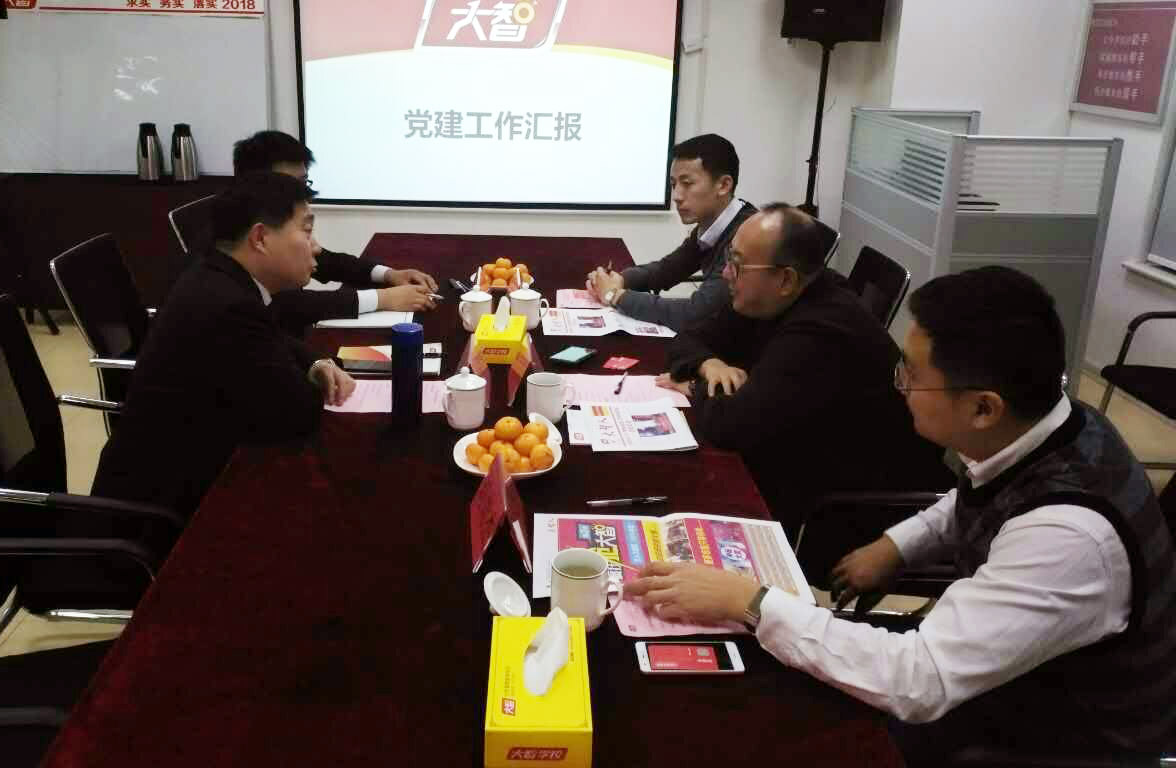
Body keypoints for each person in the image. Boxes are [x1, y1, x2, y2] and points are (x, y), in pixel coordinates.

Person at [630, 266, 1176, 763]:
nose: (900, 387)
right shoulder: (1051, 423)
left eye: (911, 375)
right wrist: (897, 546)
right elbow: (977, 494)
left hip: (1044, 739)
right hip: (1000, 677)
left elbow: (918, 681)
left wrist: (747, 600)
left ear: (983, 407)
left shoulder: (1068, 537)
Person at [657, 203, 948, 534]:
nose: (726, 273)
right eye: (728, 259)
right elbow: (688, 338)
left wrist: (694, 386)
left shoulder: (822, 329)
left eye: (737, 264)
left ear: (785, 279)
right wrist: (709, 365)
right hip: (798, 450)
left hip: (850, 505)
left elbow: (730, 427)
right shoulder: (767, 296)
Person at [92, 173, 356, 517]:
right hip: (164, 510)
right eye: (306, 231)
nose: (316, 247)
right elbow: (295, 414)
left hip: (177, 473)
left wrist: (315, 363)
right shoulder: (228, 304)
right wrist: (313, 379)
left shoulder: (220, 275)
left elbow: (273, 337)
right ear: (260, 238)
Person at [233, 131, 439, 332]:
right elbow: (286, 305)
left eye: (304, 182)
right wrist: (383, 298)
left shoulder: (276, 223)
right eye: (291, 184)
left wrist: (389, 275)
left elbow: (328, 262)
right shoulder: (236, 245)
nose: (302, 193)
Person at [584, 134, 756, 331]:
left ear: (724, 185)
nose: (677, 196)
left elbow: (696, 314)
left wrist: (615, 296)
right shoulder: (712, 223)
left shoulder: (748, 237)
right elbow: (668, 269)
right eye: (674, 184)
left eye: (687, 184)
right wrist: (622, 279)